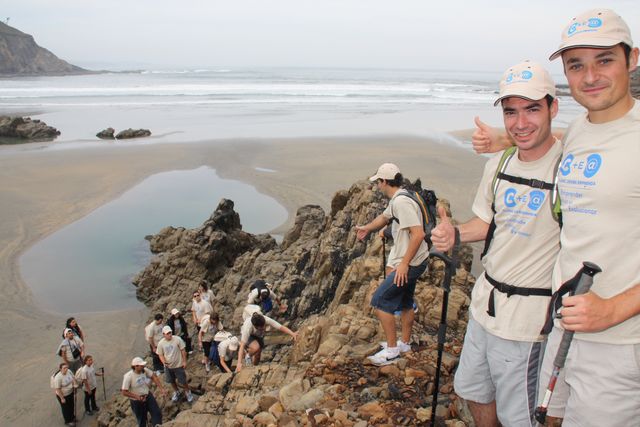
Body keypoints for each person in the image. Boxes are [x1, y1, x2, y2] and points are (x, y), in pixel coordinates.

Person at [471, 9, 640, 426]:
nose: (590, 76)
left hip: (619, 338)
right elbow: (567, 141)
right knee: (548, 417)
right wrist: (504, 137)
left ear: (632, 59)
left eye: (604, 60)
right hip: (563, 323)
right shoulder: (583, 128)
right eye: (576, 65)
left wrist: (617, 308)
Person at [431, 61, 561, 426]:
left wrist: (507, 137)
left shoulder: (569, 167)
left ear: (553, 107)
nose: (520, 122)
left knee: (520, 415)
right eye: (511, 112)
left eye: (532, 109)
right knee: (473, 390)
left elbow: (604, 137)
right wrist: (455, 233)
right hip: (483, 307)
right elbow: (486, 223)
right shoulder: (500, 163)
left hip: (529, 322)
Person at [355, 163, 429, 366]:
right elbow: (384, 217)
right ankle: (404, 343)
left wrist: (404, 264)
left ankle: (392, 350)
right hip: (416, 261)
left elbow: (418, 234)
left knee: (380, 302)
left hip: (410, 263)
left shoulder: (402, 203)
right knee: (405, 302)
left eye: (378, 182)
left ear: (385, 182)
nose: (377, 186)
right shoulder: (400, 197)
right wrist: (366, 229)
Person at [121, 356, 167, 427]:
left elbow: (153, 376)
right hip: (137, 402)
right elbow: (124, 392)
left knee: (156, 413)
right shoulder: (128, 376)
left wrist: (162, 389)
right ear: (135, 366)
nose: (143, 366)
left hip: (148, 396)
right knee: (142, 420)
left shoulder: (144, 370)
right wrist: (137, 397)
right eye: (141, 365)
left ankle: (157, 425)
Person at [156, 325, 193, 403]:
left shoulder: (177, 339)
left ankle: (188, 392)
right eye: (167, 333)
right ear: (163, 334)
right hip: (168, 366)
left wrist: (184, 361)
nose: (169, 334)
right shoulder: (161, 343)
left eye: (170, 332)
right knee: (171, 381)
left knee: (183, 381)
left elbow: (183, 351)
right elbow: (160, 354)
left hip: (178, 365)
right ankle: (176, 391)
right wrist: (163, 361)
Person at [53, 362, 78, 426]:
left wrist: (75, 384)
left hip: (70, 392)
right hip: (63, 395)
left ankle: (72, 417)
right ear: (60, 369)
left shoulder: (69, 371)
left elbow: (73, 378)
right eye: (64, 368)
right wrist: (62, 398)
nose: (66, 369)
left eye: (67, 367)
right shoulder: (58, 377)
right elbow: (58, 389)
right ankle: (68, 421)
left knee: (71, 405)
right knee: (66, 408)